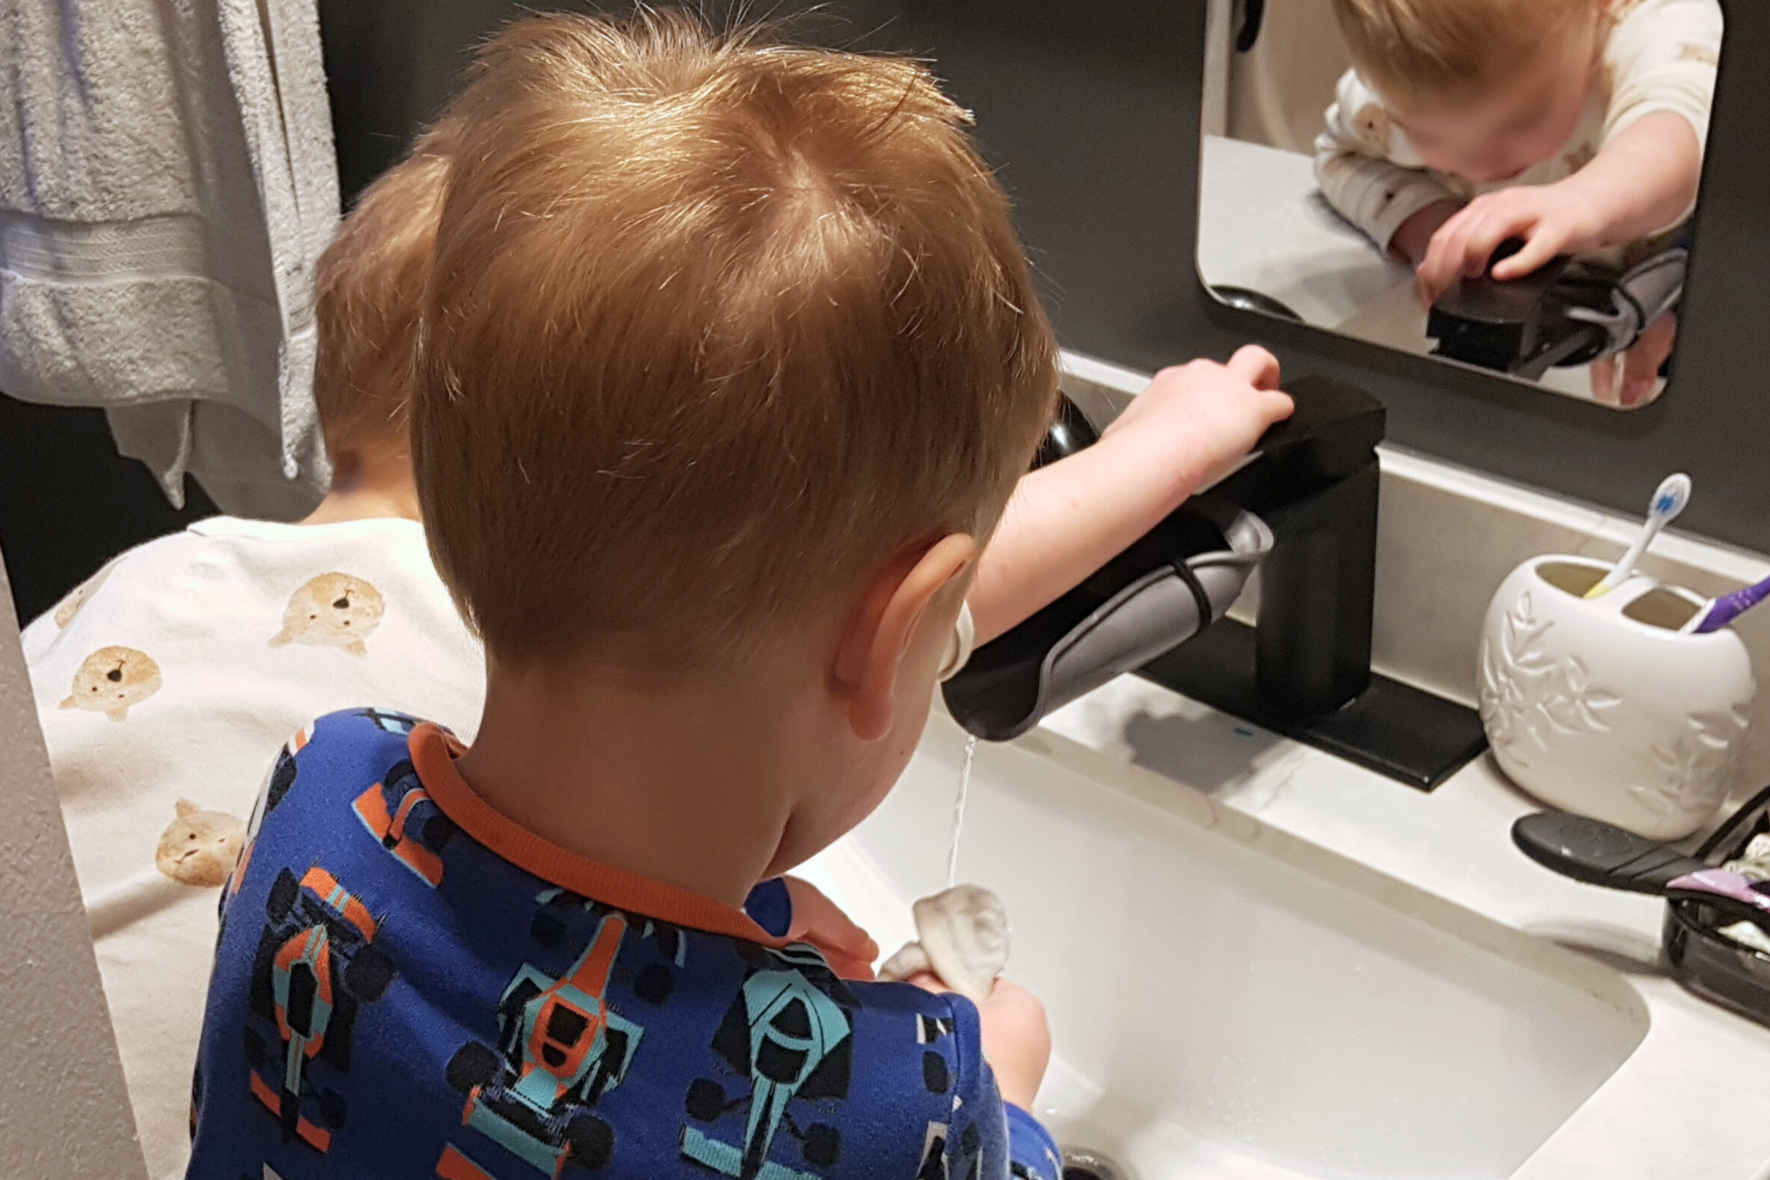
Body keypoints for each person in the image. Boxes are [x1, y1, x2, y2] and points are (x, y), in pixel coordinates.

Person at [184, 13, 1294, 1178]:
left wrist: (741, 929)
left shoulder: (321, 798)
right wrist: (1005, 1111)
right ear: (898, 639)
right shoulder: (896, 1102)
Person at [1314, 0, 1721, 405]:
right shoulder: (1398, 81)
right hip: (1542, 308)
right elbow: (1340, 158)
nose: (1479, 164)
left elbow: (1681, 136)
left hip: (1681, 261)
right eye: (1426, 135)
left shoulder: (1657, 22)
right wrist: (1435, 228)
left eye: (1520, 120)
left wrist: (1585, 200)